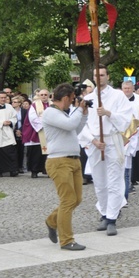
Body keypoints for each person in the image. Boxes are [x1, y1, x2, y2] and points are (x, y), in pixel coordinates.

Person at [78, 65, 134, 236]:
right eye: (96, 75)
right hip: (95, 143)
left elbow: (126, 121)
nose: (99, 78)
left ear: (108, 76)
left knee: (114, 181)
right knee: (100, 182)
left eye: (102, 75)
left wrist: (109, 113)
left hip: (112, 140)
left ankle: (112, 217)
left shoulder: (118, 96)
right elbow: (81, 124)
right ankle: (104, 213)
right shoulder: (87, 98)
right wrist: (93, 140)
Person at [42, 83, 89, 251]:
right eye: (71, 99)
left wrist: (83, 114)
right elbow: (70, 125)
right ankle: (67, 240)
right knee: (68, 200)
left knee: (76, 199)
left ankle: (52, 221)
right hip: (59, 161)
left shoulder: (63, 114)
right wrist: (77, 109)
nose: (72, 102)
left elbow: (75, 130)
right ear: (64, 98)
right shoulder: (50, 112)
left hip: (73, 160)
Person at [0, 92, 19, 177]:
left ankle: (13, 170)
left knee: (11, 152)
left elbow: (14, 117)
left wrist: (10, 122)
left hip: (8, 132)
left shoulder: (9, 107)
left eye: (5, 97)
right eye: (1, 98)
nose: (3, 99)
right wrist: (1, 123)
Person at [25, 88, 50, 178]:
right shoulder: (34, 105)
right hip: (38, 131)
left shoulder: (52, 105)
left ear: (48, 96)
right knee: (36, 153)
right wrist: (42, 125)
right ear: (39, 96)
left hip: (50, 132)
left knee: (49, 152)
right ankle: (34, 171)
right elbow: (32, 118)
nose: (43, 96)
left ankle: (47, 170)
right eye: (42, 95)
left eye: (45, 95)